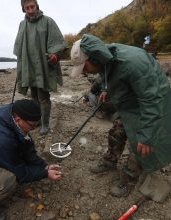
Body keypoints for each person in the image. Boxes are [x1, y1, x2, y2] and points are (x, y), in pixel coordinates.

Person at [70, 34, 171, 197]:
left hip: (153, 102)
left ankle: (129, 180)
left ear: (94, 58)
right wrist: (105, 89)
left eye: (84, 68)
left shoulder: (133, 63)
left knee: (139, 145)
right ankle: (110, 161)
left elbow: (152, 100)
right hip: (132, 101)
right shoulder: (105, 59)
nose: (84, 73)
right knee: (117, 131)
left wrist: (147, 135)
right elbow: (107, 74)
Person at [13, 0, 67, 135]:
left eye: (32, 7)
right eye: (27, 8)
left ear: (37, 6)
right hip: (29, 66)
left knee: (43, 96)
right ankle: (37, 119)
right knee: (34, 96)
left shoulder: (48, 21)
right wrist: (20, 64)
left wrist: (54, 55)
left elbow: (57, 42)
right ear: (23, 9)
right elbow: (19, 46)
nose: (30, 10)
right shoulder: (22, 24)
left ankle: (45, 123)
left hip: (43, 65)